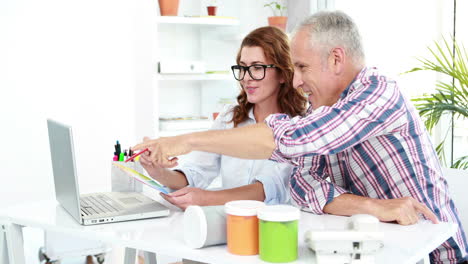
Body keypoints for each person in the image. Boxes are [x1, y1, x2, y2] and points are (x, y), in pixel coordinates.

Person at [134, 11, 467, 262]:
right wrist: (373, 206)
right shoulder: (321, 113)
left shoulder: (377, 94)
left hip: (434, 255)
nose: (297, 81)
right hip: (374, 249)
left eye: (303, 68)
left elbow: (290, 142)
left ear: (336, 59)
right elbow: (303, 186)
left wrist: (189, 140)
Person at [139, 26, 307, 210]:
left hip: (274, 226)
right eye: (242, 67)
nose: (246, 77)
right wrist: (158, 172)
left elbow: (270, 188)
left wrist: (207, 198)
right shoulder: (230, 117)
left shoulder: (298, 126)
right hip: (232, 224)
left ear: (283, 73)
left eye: (257, 68)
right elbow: (196, 173)